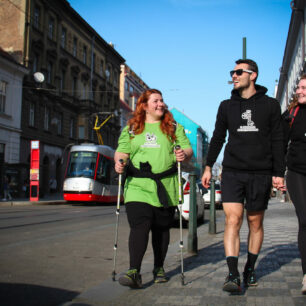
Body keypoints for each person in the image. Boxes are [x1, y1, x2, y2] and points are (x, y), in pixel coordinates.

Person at [201, 59, 285, 293]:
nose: (234, 76)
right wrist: (208, 166)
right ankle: (232, 273)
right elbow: (218, 137)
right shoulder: (226, 106)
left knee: (255, 222)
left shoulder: (270, 105)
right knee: (232, 220)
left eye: (239, 72)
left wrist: (278, 173)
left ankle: (250, 267)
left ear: (253, 75)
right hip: (233, 171)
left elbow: (278, 139)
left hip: (260, 172)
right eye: (232, 72)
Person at [114, 88, 192, 288]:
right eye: (156, 101)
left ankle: (159, 267)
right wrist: (120, 162)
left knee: (161, 229)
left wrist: (183, 154)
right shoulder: (132, 128)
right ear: (145, 105)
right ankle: (134, 271)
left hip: (165, 186)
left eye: (162, 101)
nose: (161, 104)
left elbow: (188, 148)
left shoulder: (173, 127)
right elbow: (122, 151)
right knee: (140, 225)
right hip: (137, 186)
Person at [282, 75, 306, 294]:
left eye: (303, 87)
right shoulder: (292, 114)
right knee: (305, 219)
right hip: (298, 171)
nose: (299, 90)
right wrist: (276, 173)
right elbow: (278, 142)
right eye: (298, 87)